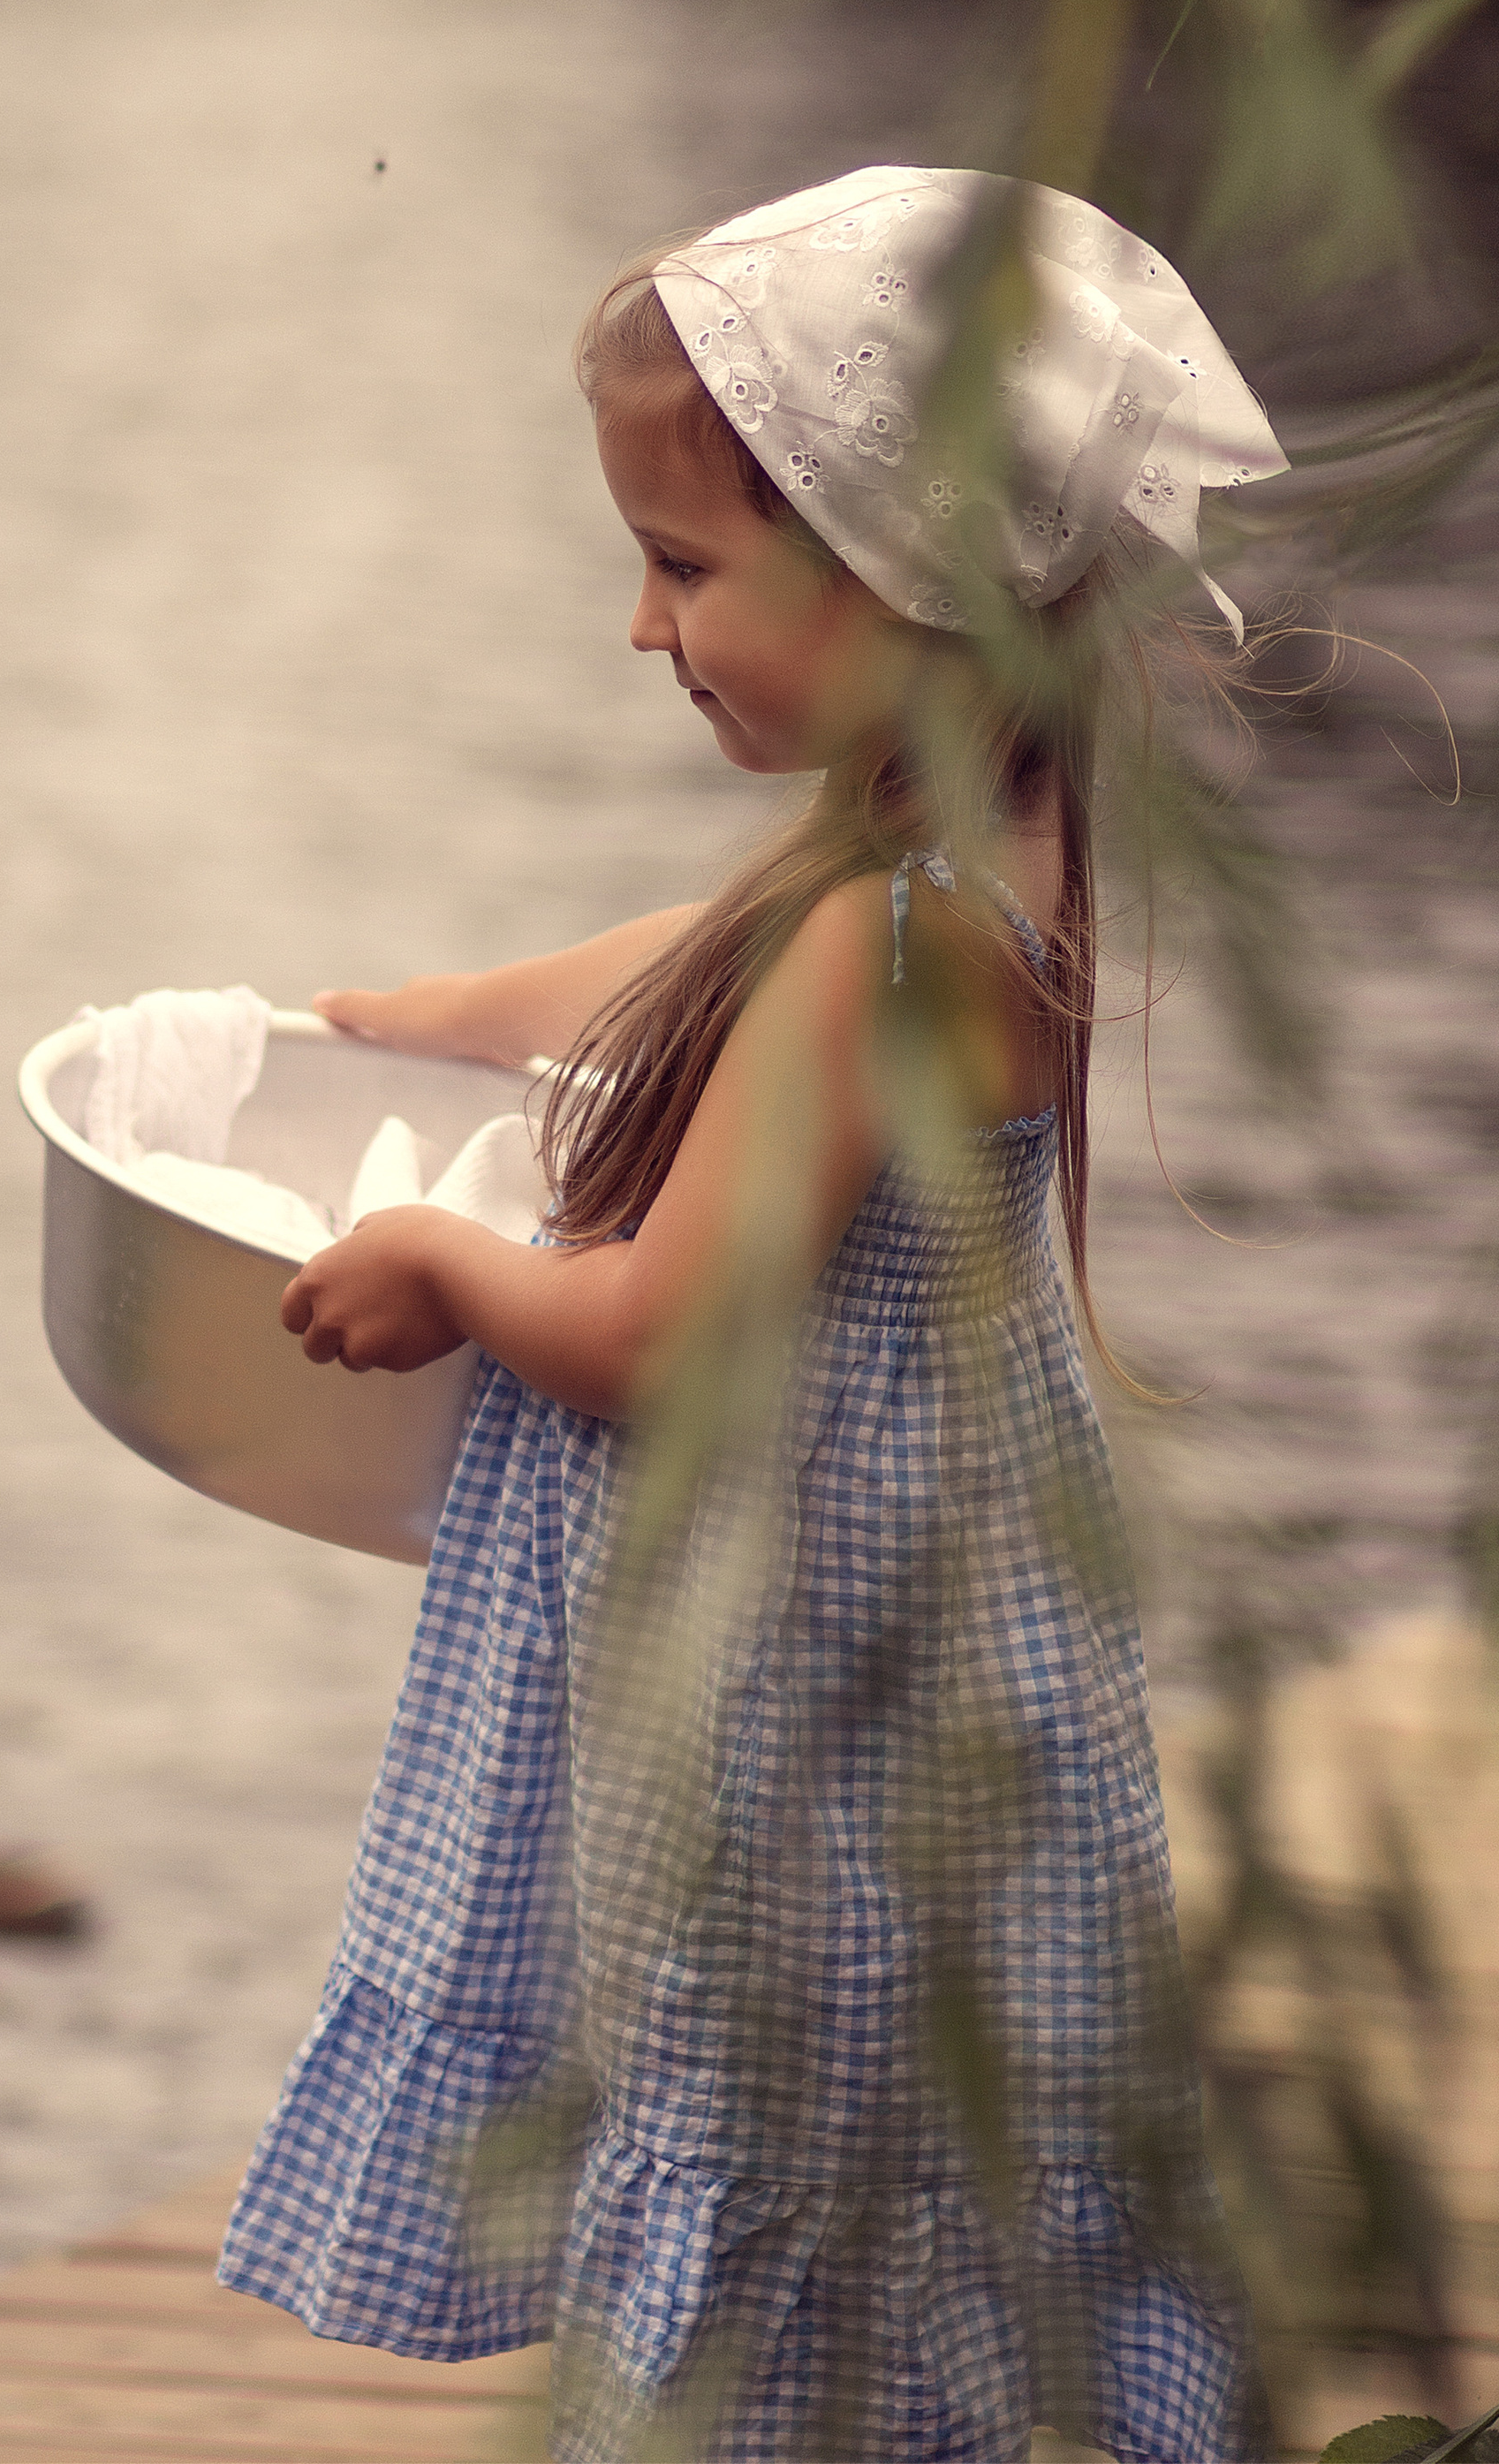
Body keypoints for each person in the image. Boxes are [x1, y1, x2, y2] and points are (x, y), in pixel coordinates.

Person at [216, 166, 1285, 2464]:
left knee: (790, 2160)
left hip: (816, 1721)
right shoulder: (952, 869)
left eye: (684, 566)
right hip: (914, 1683)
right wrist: (422, 1018)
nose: (640, 627)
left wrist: (447, 1271)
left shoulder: (888, 944)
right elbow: (656, 975)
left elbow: (663, 1337)